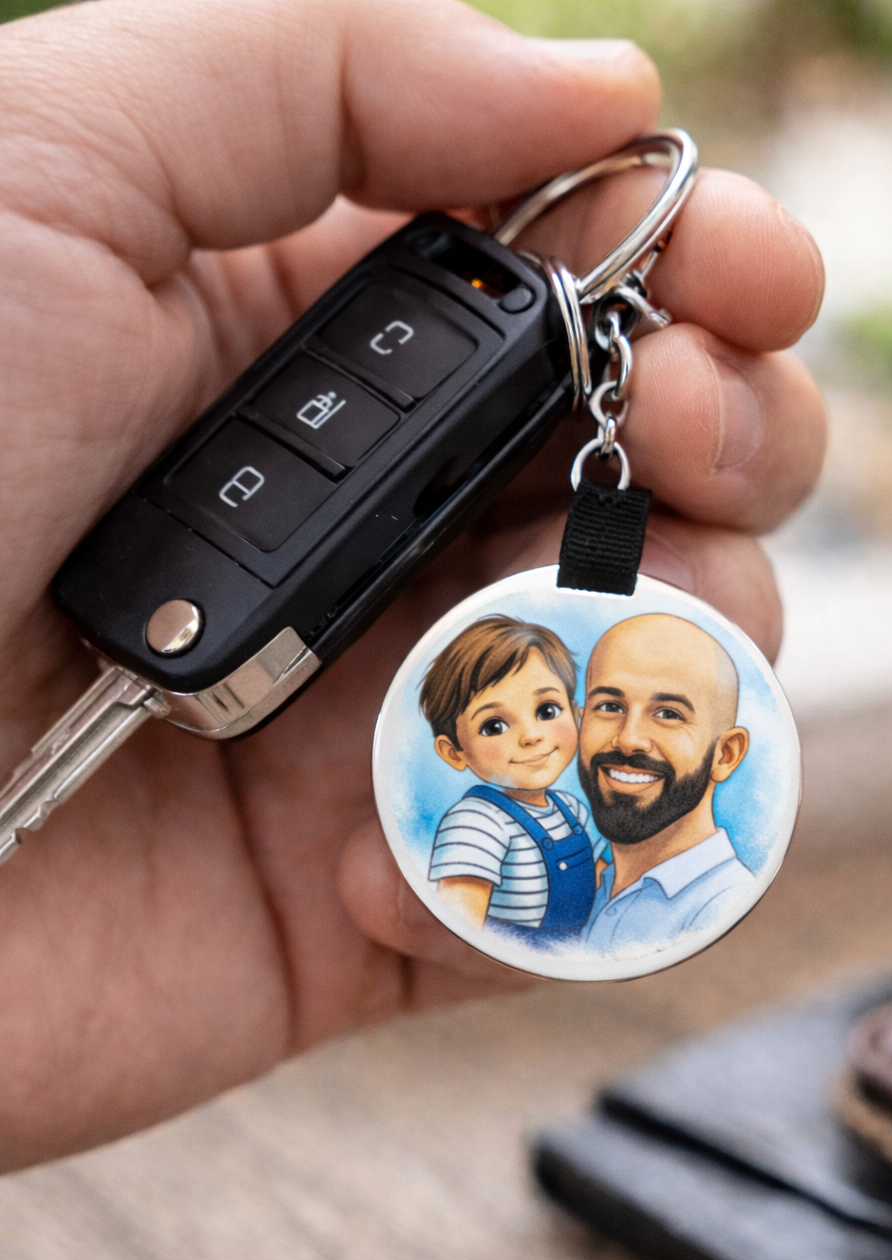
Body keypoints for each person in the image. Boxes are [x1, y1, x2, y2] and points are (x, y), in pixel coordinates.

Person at [0, 0, 827, 1170]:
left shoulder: (605, 848)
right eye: (554, 709)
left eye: (553, 710)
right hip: (174, 611)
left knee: (696, 423)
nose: (582, 729)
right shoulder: (504, 831)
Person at [578, 615, 753, 954]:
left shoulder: (720, 907)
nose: (629, 740)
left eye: (669, 714)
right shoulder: (578, 888)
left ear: (725, 755)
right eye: (610, 706)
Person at [421, 617, 594, 939]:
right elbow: (462, 920)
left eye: (547, 711)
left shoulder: (572, 810)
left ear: (575, 712)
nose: (531, 736)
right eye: (494, 726)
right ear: (454, 752)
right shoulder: (476, 823)